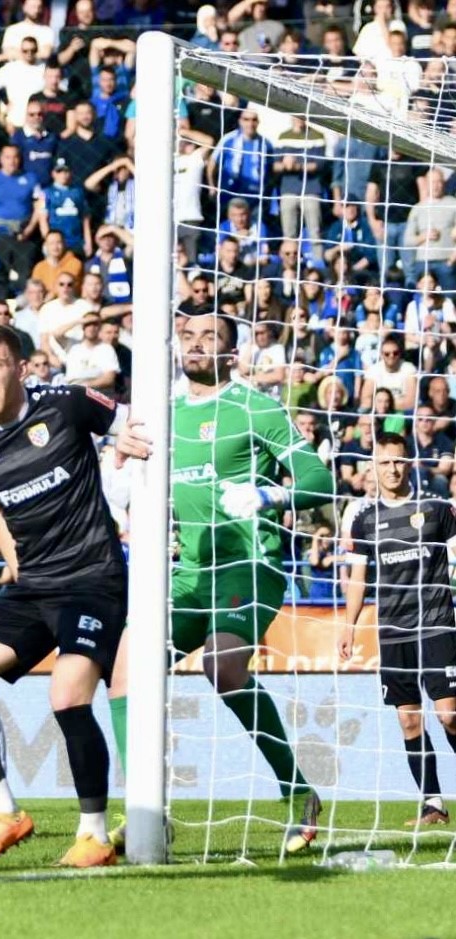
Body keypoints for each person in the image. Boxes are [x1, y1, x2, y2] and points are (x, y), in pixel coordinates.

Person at [111, 312, 333, 856]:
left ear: (232, 353)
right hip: (188, 569)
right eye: (187, 335)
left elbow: (319, 480)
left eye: (210, 336)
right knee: (123, 670)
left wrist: (270, 496)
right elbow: (128, 480)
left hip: (249, 565)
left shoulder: (256, 406)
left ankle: (298, 793)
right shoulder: (161, 415)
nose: (195, 344)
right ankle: (143, 810)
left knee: (222, 665)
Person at [0, 325, 147, 868]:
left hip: (91, 579)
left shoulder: (68, 405)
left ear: (21, 368)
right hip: (33, 586)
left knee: (67, 697)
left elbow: (136, 424)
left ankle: (94, 834)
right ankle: (4, 811)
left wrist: (125, 437)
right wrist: (8, 560)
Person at [343, 433, 456, 828]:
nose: (392, 468)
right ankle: (433, 805)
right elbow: (358, 577)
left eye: (399, 461)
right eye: (384, 462)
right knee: (409, 721)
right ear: (373, 467)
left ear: (411, 463)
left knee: (450, 716)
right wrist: (349, 624)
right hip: (393, 632)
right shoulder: (364, 518)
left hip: (438, 626)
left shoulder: (437, 509)